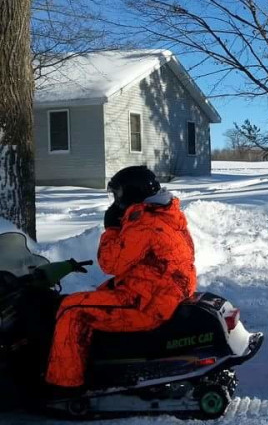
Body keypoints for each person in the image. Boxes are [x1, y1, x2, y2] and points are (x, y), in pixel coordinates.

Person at [45, 166, 196, 390]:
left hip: (148, 303)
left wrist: (112, 229)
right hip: (159, 293)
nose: (115, 200)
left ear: (131, 193)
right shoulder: (166, 215)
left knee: (71, 309)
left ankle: (63, 386)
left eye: (118, 194)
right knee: (96, 296)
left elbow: (110, 263)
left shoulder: (144, 223)